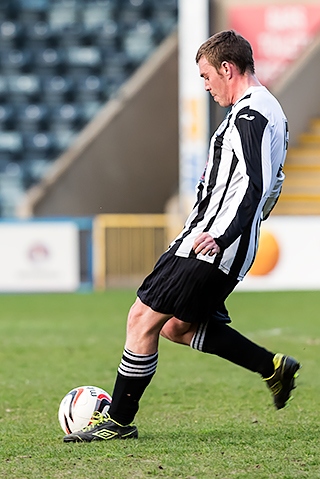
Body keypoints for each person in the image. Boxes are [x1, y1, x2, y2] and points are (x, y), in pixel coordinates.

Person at [64, 30, 300, 443]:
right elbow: (269, 187)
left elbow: (257, 186)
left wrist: (223, 237)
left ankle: (117, 421)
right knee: (177, 327)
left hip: (209, 244)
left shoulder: (252, 114)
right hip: (215, 241)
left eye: (207, 76)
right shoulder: (263, 111)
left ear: (227, 68)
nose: (206, 86)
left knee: (141, 318)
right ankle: (272, 367)